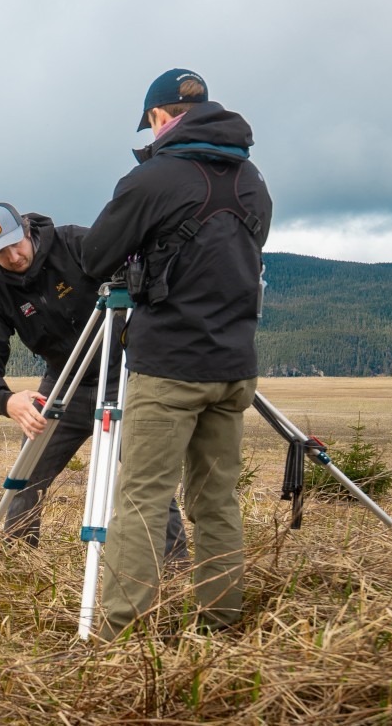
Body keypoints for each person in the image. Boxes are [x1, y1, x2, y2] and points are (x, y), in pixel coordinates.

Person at [81, 69, 273, 639]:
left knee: (142, 497)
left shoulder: (153, 179)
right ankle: (220, 622)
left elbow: (95, 256)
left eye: (151, 122)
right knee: (216, 500)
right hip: (235, 367)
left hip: (168, 369)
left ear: (161, 118)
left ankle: (120, 634)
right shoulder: (253, 179)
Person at [0, 202, 188, 558]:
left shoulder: (76, 244)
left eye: (15, 243)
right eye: (0, 253)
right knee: (26, 479)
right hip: (62, 386)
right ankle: (18, 565)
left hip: (125, 379)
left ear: (26, 229)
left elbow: (143, 271)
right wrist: (5, 400)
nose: (13, 255)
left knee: (146, 480)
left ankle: (174, 571)